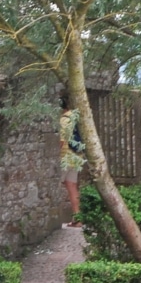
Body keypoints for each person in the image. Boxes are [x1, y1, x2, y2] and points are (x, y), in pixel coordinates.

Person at [59, 94, 86, 228]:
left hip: (66, 157)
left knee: (57, 185)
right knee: (72, 187)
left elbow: (62, 140)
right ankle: (78, 219)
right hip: (77, 155)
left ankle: (55, 219)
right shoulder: (75, 117)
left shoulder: (64, 119)